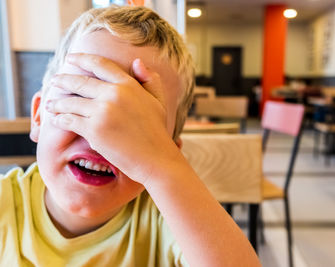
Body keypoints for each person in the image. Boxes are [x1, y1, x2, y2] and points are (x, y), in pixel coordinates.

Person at [0, 6, 261, 266]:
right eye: (80, 96)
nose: (101, 134)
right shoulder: (5, 205)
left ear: (169, 151)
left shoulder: (165, 220)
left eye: (136, 122)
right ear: (38, 116)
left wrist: (163, 170)